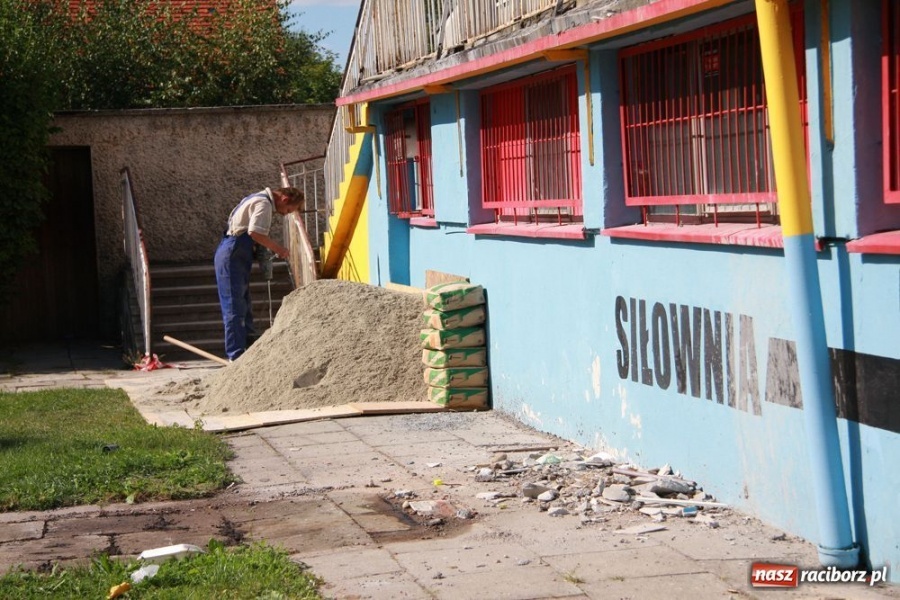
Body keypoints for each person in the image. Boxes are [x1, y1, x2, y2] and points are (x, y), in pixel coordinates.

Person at [214, 186, 304, 361]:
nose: (285, 214)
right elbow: (255, 232)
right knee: (234, 305)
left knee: (243, 304)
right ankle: (235, 354)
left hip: (236, 251)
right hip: (233, 252)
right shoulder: (264, 203)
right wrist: (278, 249)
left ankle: (248, 350)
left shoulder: (256, 198)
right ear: (284, 199)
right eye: (288, 210)